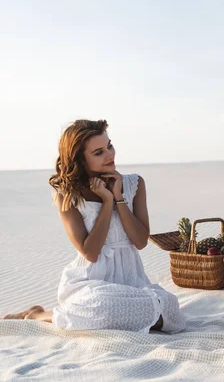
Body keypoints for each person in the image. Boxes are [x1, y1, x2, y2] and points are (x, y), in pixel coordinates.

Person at [3, 119, 185, 333]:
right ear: (80, 159)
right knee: (105, 307)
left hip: (131, 281)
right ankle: (37, 315)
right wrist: (106, 203)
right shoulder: (67, 194)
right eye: (98, 152)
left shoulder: (134, 183)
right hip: (91, 282)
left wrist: (118, 197)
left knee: (171, 309)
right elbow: (90, 252)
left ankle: (119, 316)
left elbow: (140, 241)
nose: (109, 155)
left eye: (109, 146)